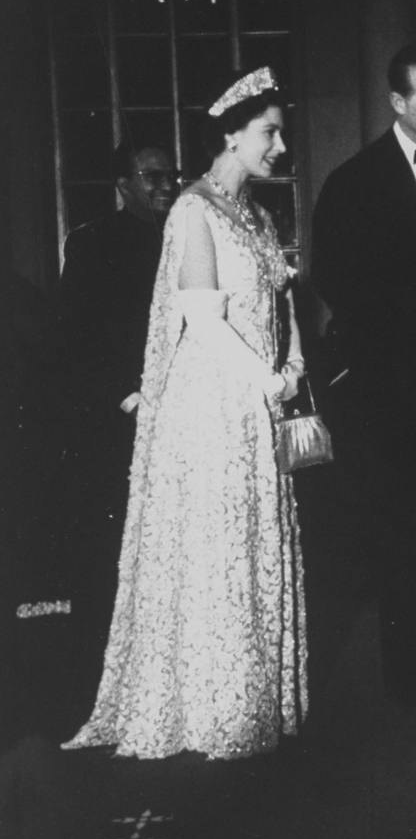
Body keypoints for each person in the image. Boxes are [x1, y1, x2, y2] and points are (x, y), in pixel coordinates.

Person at [63, 66, 308, 759]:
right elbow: (201, 319)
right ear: (230, 135)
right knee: (216, 553)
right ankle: (206, 712)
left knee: (251, 547)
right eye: (269, 132)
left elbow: (279, 303)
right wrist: (266, 379)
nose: (280, 146)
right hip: (212, 408)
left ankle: (251, 703)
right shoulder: (194, 209)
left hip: (258, 403)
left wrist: (292, 366)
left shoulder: (257, 216)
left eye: (281, 132)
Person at [312, 44, 416, 709]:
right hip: (382, 391)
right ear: (397, 104)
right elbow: (333, 278)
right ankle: (401, 676)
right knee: (394, 530)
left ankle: (413, 665)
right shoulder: (352, 181)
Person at [56, 141, 176, 648]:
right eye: (152, 177)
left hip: (182, 408)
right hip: (121, 416)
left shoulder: (185, 233)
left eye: (170, 174)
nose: (166, 185)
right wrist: (128, 398)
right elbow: (75, 339)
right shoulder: (91, 243)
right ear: (123, 185)